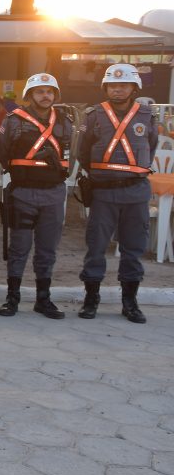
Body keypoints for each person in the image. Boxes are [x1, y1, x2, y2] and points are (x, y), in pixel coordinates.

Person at [77, 63, 156, 324]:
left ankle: (130, 302)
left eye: (123, 85)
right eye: (112, 85)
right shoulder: (94, 115)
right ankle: (91, 299)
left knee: (133, 248)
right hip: (104, 193)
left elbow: (151, 146)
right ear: (106, 87)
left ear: (134, 88)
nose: (117, 89)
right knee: (96, 247)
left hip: (136, 192)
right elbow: (82, 152)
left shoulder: (147, 115)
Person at [0, 73, 71, 319]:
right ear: (29, 95)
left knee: (47, 249)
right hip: (23, 193)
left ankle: (43, 299)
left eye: (49, 91)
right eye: (40, 91)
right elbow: (2, 151)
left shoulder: (65, 121)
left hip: (54, 194)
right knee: (19, 247)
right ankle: (12, 298)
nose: (45, 96)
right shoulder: (14, 120)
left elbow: (72, 152)